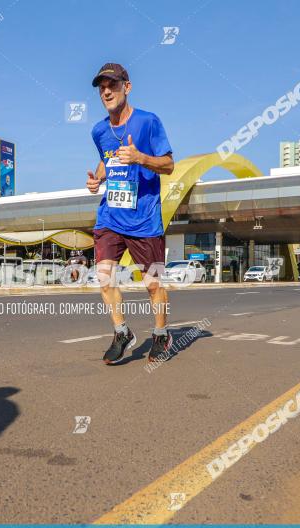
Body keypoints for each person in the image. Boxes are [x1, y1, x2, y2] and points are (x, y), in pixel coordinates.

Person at [84, 63, 175, 364]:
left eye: (113, 84)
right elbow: (106, 161)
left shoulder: (148, 122)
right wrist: (98, 180)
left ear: (127, 86)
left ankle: (161, 335)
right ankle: (121, 332)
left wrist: (141, 157)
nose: (106, 91)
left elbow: (169, 164)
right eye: (101, 87)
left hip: (145, 218)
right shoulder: (99, 131)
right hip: (110, 215)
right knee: (104, 276)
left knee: (153, 283)